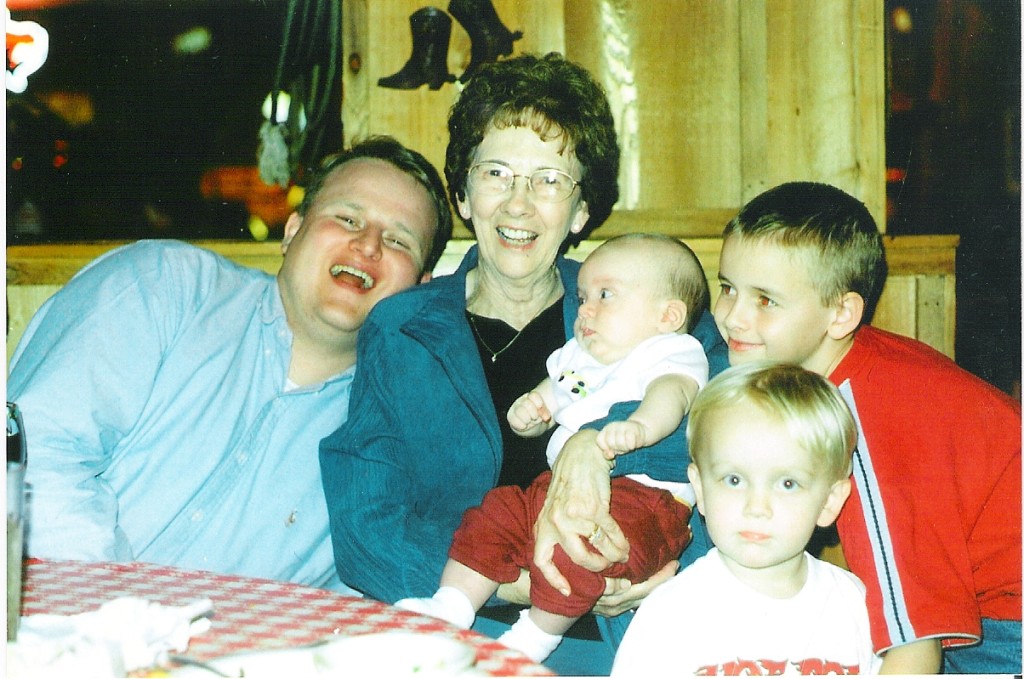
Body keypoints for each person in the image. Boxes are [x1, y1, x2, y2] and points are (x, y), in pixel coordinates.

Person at [318, 53, 728, 675]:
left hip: (628, 637)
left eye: (548, 180)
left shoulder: (656, 315)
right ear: (462, 192)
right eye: (497, 173)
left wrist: (676, 572)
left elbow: (746, 465)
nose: (518, 203)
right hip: (458, 632)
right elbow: (365, 527)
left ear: (581, 212)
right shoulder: (402, 330)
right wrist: (511, 579)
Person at [8, 136, 452, 592]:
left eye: (399, 239)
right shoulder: (163, 287)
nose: (368, 244)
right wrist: (125, 619)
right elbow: (34, 454)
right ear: (292, 231)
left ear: (420, 287)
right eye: (347, 217)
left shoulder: (392, 443)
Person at [713, 181, 1021, 674]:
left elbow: (916, 638)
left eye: (766, 300)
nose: (732, 317)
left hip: (1008, 626)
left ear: (841, 314)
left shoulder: (865, 420)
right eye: (727, 288)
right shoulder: (853, 363)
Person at [394, 233, 710, 662]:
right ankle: (452, 604)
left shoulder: (671, 351)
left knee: (583, 551)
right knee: (497, 513)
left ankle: (539, 634)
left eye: (606, 295)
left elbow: (672, 396)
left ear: (667, 315)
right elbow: (555, 394)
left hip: (644, 500)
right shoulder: (578, 356)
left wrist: (639, 427)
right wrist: (533, 412)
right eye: (582, 297)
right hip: (555, 487)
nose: (586, 308)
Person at [612, 362, 880, 676]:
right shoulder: (672, 613)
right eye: (734, 480)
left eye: (787, 484)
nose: (756, 507)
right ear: (700, 487)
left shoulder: (854, 605)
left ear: (828, 502)